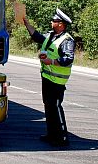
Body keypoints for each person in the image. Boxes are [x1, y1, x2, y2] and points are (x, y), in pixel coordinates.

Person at [23, 8, 75, 147]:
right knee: (48, 106)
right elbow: (37, 37)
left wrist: (50, 61)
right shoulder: (51, 36)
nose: (52, 22)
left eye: (54, 21)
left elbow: (68, 59)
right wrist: (27, 24)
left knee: (56, 106)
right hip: (47, 77)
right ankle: (52, 134)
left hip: (57, 80)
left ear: (61, 24)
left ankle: (62, 137)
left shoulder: (67, 40)